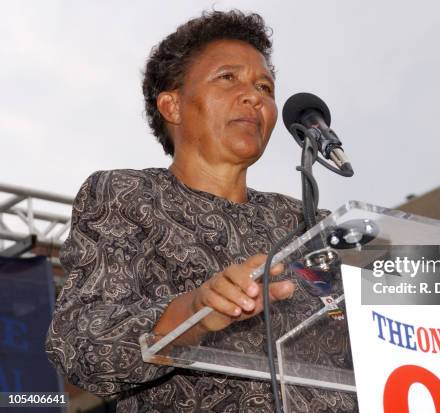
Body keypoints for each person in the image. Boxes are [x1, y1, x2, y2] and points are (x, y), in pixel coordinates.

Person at [45, 10, 357, 413]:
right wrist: (192, 313)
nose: (254, 96)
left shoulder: (306, 222)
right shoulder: (126, 194)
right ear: (172, 106)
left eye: (264, 86)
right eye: (228, 78)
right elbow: (80, 344)